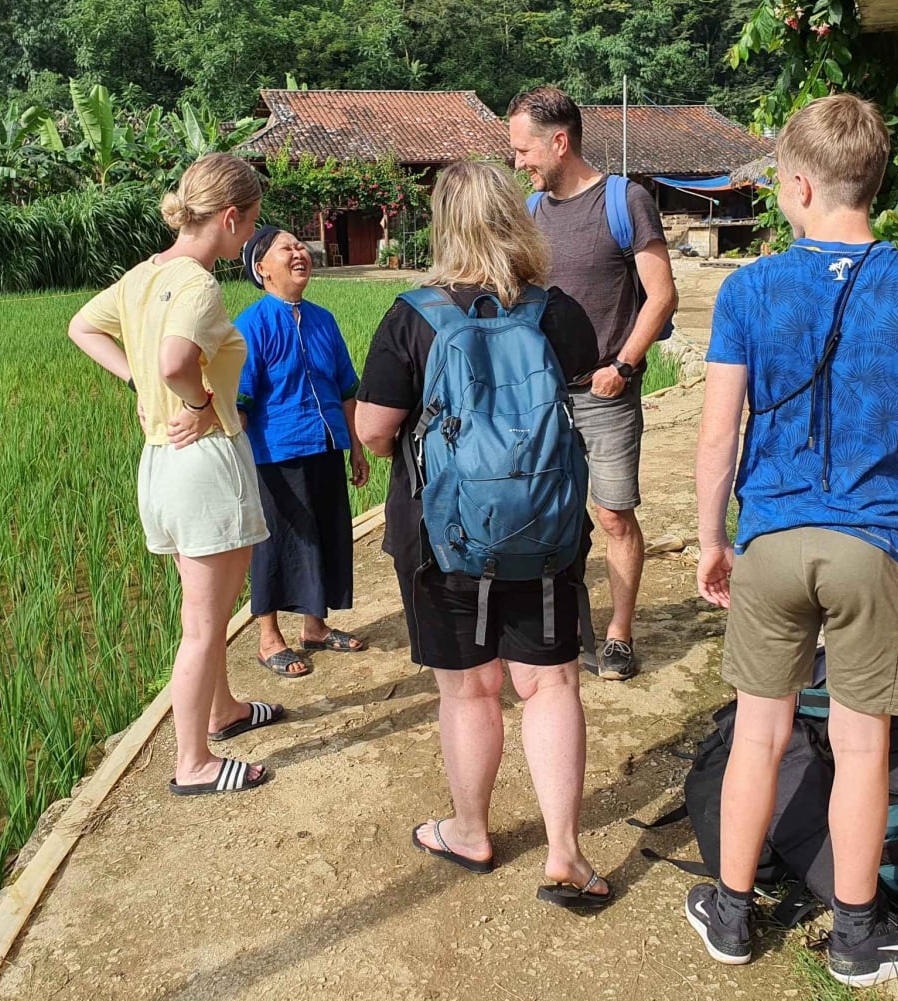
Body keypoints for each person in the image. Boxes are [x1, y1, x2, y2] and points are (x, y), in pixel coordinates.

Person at [685, 94, 898, 987]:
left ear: (802, 185)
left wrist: (711, 537)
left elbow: (718, 434)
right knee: (862, 748)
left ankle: (731, 911)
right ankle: (857, 936)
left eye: (781, 184)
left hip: (771, 541)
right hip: (873, 546)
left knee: (757, 735)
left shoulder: (747, 290)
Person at [354, 159, 611, 908]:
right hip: (546, 527)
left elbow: (374, 432)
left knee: (470, 690)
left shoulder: (414, 316)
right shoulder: (556, 312)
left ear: (445, 226)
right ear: (516, 220)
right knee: (551, 682)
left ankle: (470, 831)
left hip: (443, 536)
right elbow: (574, 385)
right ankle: (565, 852)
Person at [66, 152, 282, 797]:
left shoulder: (144, 274)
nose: (251, 237)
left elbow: (83, 327)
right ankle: (194, 763)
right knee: (204, 625)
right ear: (231, 217)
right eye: (253, 224)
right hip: (205, 463)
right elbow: (174, 361)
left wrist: (137, 382)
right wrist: (198, 401)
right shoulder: (198, 284)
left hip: (160, 463)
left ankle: (224, 710)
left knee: (203, 610)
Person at [508, 85, 679, 682]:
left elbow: (662, 295)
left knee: (612, 515)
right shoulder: (531, 212)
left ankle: (618, 634)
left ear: (560, 142)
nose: (518, 162)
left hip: (605, 391)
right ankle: (560, 624)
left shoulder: (624, 201)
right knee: (545, 513)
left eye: (524, 150)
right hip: (541, 399)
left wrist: (623, 367)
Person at [234, 226, 370, 678]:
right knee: (277, 541)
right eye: (286, 248)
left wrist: (356, 448)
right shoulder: (252, 325)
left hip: (326, 443)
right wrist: (236, 465)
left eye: (300, 246)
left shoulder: (323, 320)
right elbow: (241, 402)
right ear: (262, 269)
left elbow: (346, 388)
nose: (300, 252)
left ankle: (315, 627)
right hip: (277, 452)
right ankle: (268, 638)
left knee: (327, 534)